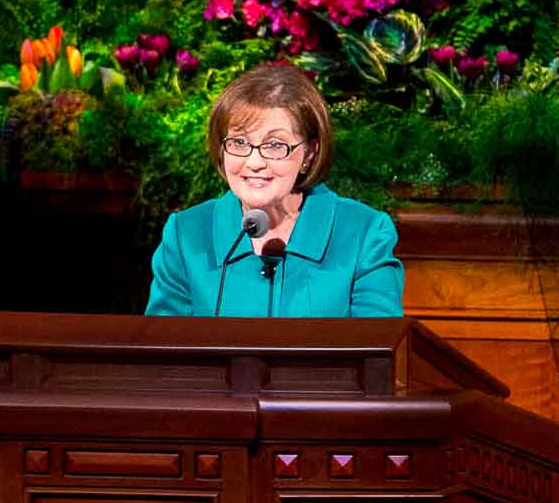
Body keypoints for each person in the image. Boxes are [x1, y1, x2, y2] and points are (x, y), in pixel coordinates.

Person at [144, 64, 404, 317]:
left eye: (275, 145)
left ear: (309, 153)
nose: (254, 162)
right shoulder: (186, 234)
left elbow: (379, 351)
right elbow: (164, 351)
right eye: (239, 142)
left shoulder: (363, 234)